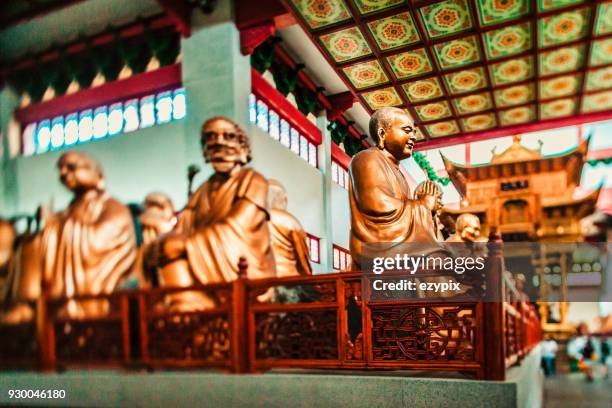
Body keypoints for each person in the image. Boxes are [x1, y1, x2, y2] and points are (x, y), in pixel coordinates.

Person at [146, 116, 276, 311]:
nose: (219, 142)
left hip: (241, 264)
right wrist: (163, 242)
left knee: (177, 254)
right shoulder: (203, 189)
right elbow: (184, 226)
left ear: (241, 145)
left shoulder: (253, 180)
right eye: (211, 137)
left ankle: (191, 310)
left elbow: (239, 226)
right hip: (203, 263)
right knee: (163, 257)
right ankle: (184, 309)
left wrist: (186, 244)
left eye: (228, 136)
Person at [2, 151, 137, 322]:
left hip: (90, 275)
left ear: (97, 173)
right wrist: (51, 222)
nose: (64, 174)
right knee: (30, 239)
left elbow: (106, 235)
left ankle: (59, 305)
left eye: (71, 167)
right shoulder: (69, 209)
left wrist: (58, 227)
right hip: (58, 252)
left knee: (45, 236)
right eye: (61, 170)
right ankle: (25, 304)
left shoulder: (112, 206)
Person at [348, 107, 444, 270]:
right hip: (377, 248)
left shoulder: (400, 176)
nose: (413, 137)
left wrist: (427, 210)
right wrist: (423, 205)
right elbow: (377, 205)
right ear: (382, 134)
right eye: (407, 130)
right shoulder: (367, 159)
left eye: (414, 132)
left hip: (398, 245)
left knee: (443, 259)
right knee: (433, 261)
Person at [267, 179, 312, 277]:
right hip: (288, 278)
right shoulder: (290, 221)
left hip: (259, 279)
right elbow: (303, 260)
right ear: (284, 199)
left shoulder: (255, 219)